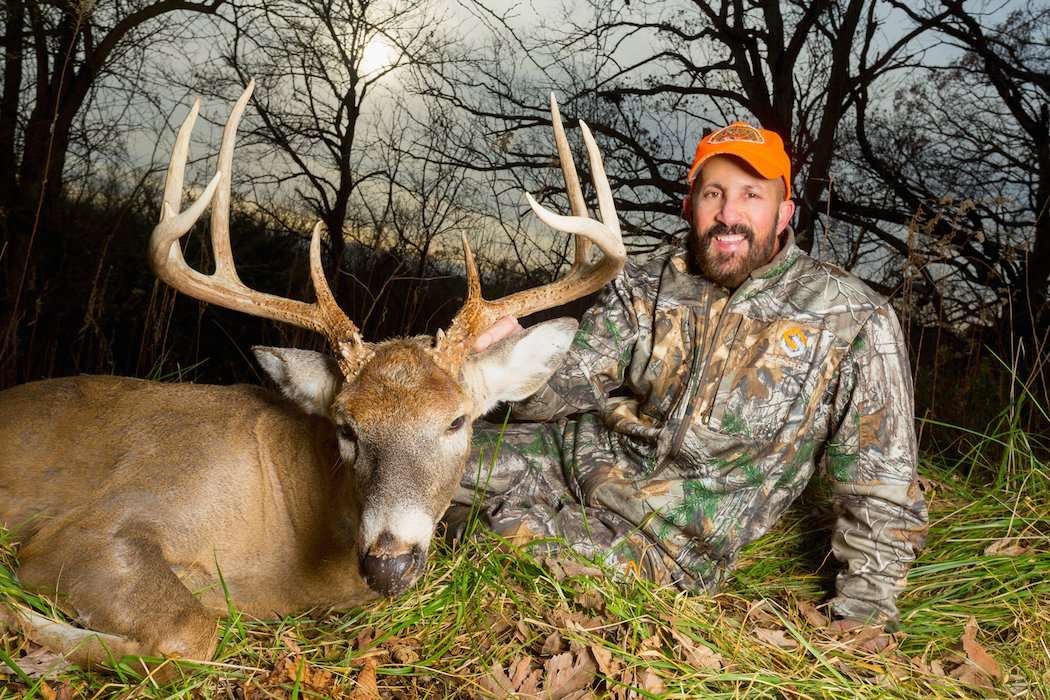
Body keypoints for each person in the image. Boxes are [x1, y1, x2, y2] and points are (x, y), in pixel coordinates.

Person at [453, 121, 929, 627]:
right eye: (713, 194)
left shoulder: (852, 318)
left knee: (505, 542)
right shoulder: (644, 280)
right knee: (410, 464)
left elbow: (882, 486)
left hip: (670, 535)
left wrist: (866, 618)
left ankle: (477, 526)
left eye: (752, 195)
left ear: (784, 211)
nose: (729, 214)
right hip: (571, 456)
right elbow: (557, 393)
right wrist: (506, 359)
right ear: (690, 206)